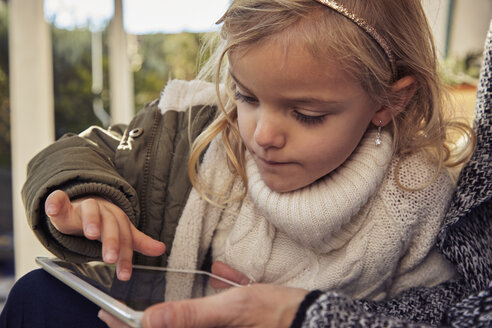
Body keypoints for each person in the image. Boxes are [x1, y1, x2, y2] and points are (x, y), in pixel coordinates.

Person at [1, 0, 484, 327]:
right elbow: (81, 149)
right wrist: (88, 194)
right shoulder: (197, 127)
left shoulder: (417, 201)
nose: (261, 134)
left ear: (388, 102)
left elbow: (440, 312)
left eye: (306, 115)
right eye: (247, 95)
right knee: (36, 295)